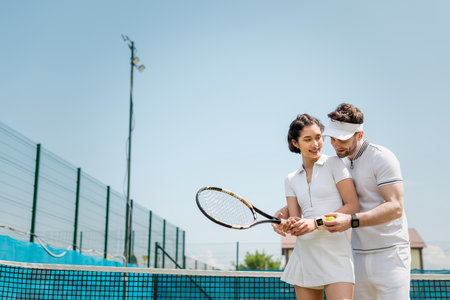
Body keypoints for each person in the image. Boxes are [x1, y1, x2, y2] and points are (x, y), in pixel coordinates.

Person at [274, 103, 411, 300]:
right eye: (333, 138)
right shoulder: (340, 160)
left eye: (343, 139)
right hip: (357, 252)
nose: (336, 144)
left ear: (359, 135)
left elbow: (396, 207)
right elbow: (320, 193)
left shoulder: (381, 158)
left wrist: (349, 220)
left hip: (390, 252)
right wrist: (288, 209)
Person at [279, 113, 360, 300]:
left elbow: (352, 206)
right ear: (295, 143)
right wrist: (287, 224)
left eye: (318, 137)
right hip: (305, 255)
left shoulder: (335, 164)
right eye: (308, 139)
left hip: (337, 254)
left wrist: (315, 223)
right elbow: (295, 219)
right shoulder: (290, 179)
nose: (315, 144)